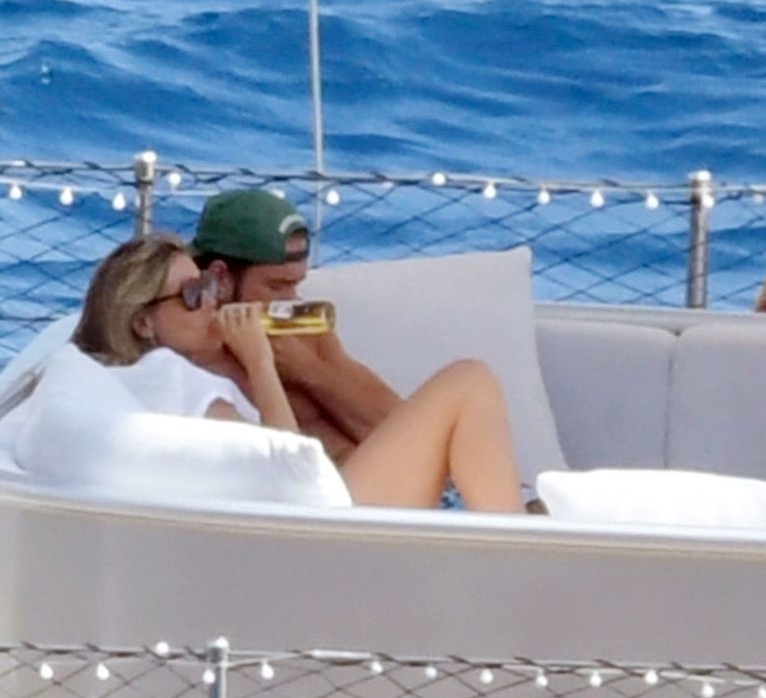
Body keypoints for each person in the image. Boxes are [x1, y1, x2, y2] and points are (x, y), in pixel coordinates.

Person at [71, 234, 527, 512]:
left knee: (470, 389)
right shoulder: (172, 377)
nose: (211, 303)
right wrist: (260, 363)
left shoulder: (161, 376)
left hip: (317, 514)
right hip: (319, 527)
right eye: (192, 295)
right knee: (469, 383)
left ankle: (514, 533)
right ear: (143, 322)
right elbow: (289, 467)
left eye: (207, 287)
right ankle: (517, 554)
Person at [188, 189, 398, 464]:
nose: (291, 300)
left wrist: (306, 370)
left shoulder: (300, 335)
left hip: (384, 477)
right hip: (318, 484)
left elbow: (405, 429)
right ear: (221, 277)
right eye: (277, 286)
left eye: (296, 285)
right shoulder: (195, 352)